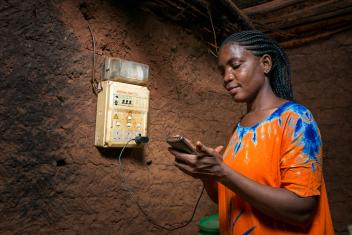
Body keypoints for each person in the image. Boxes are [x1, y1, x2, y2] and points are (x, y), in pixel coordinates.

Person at [168, 30, 334, 234]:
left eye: (236, 66)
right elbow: (229, 198)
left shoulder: (296, 119)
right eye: (222, 71)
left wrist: (224, 172)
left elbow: (301, 211)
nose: (227, 77)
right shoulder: (240, 127)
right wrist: (208, 175)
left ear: (265, 64)